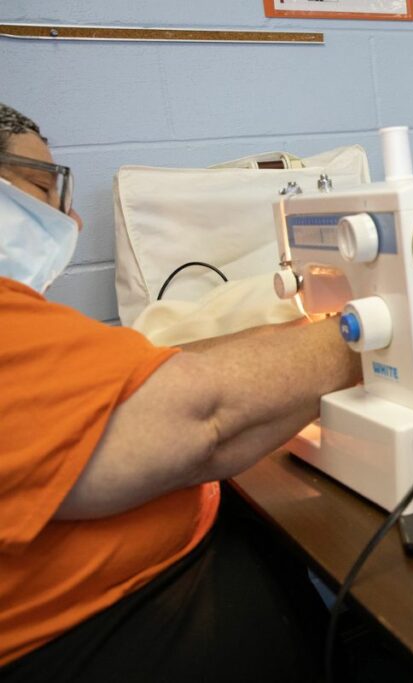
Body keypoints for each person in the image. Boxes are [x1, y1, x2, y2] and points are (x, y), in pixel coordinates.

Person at [0, 104, 365, 681]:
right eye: (42, 186)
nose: (69, 217)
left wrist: (315, 331)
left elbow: (150, 372)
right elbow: (203, 418)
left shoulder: (22, 323)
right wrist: (374, 332)